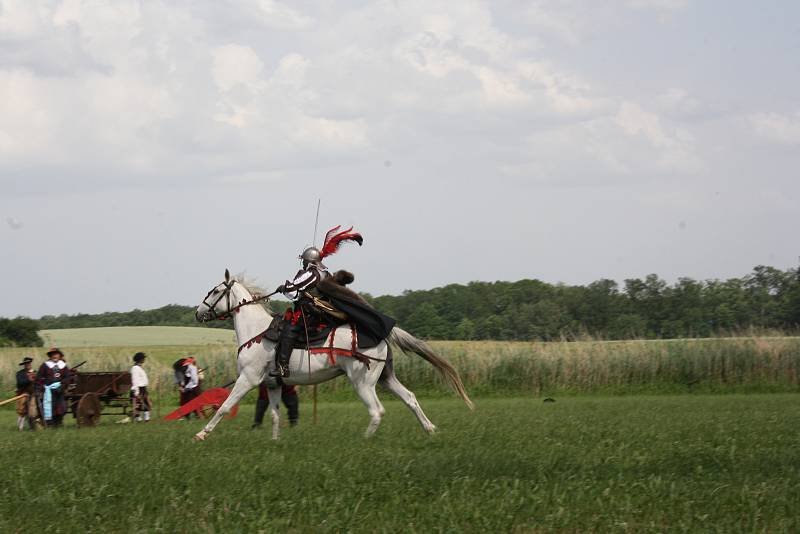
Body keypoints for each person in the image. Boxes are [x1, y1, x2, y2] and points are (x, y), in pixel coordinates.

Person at [270, 226, 364, 378]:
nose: (303, 264)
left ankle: (283, 367)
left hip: (310, 314)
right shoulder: (326, 272)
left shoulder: (311, 273)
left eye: (304, 261)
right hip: (320, 313)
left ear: (309, 261)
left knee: (289, 329)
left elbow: (294, 288)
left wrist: (284, 287)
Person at [37, 347, 70, 427]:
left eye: (56, 354)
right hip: (48, 390)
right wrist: (42, 387)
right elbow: (39, 377)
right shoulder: (45, 365)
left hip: (59, 390)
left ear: (59, 355)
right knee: (50, 406)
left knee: (61, 406)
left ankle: (59, 422)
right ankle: (50, 423)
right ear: (50, 356)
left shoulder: (63, 366)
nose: (54, 356)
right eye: (53, 354)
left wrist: (62, 385)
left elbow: (67, 377)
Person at [15, 357, 38, 431]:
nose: (27, 365)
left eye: (29, 363)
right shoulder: (19, 373)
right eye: (26, 363)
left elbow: (39, 383)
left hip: (33, 394)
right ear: (24, 365)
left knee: (32, 411)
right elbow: (20, 383)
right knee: (21, 410)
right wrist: (29, 379)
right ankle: (20, 427)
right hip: (23, 393)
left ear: (30, 363)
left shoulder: (35, 372)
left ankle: (32, 427)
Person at [130, 352, 151, 422]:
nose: (144, 360)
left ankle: (146, 418)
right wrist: (136, 392)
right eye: (143, 358)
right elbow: (135, 380)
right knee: (139, 403)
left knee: (145, 402)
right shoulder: (135, 368)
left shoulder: (139, 367)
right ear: (140, 359)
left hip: (142, 387)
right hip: (139, 388)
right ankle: (139, 418)